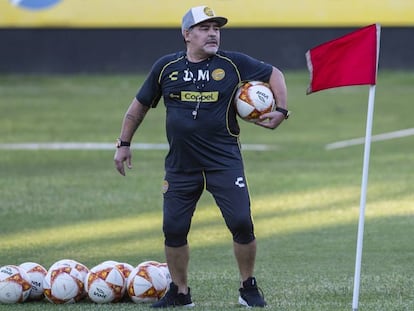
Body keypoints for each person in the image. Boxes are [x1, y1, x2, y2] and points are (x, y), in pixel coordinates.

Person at [114, 5, 289, 308]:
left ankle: (248, 287)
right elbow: (138, 106)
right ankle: (180, 292)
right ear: (186, 34)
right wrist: (124, 143)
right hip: (182, 166)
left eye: (216, 29)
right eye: (204, 28)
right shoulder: (166, 67)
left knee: (241, 222)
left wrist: (282, 111)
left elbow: (276, 74)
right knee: (174, 228)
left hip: (224, 161)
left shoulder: (233, 64)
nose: (212, 34)